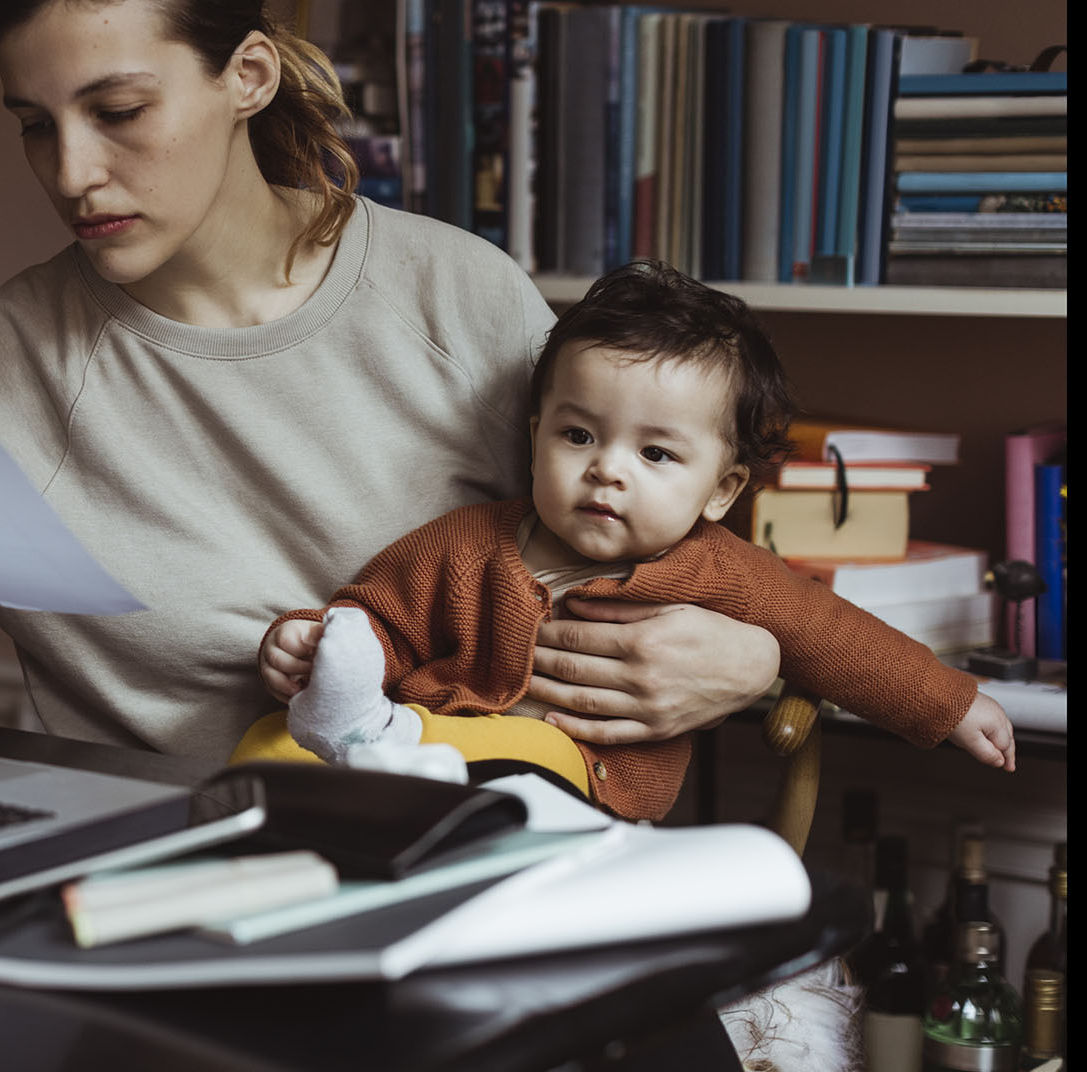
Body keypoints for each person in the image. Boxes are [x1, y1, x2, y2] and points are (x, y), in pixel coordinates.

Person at [0, 0, 781, 764]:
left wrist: (755, 660)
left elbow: (641, 536)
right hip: (153, 883)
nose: (72, 170)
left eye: (118, 109)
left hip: (479, 854)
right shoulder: (5, 364)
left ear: (247, 76)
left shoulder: (457, 295)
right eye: (34, 122)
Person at [244, 261, 1016, 819]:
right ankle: (352, 770)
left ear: (722, 490)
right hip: (420, 745)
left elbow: (835, 636)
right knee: (266, 746)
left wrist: (951, 704)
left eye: (655, 454)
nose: (607, 470)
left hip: (580, 781)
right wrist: (315, 646)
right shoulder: (469, 542)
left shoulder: (723, 573)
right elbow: (378, 616)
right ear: (536, 433)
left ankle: (395, 774)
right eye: (579, 434)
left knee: (527, 758)